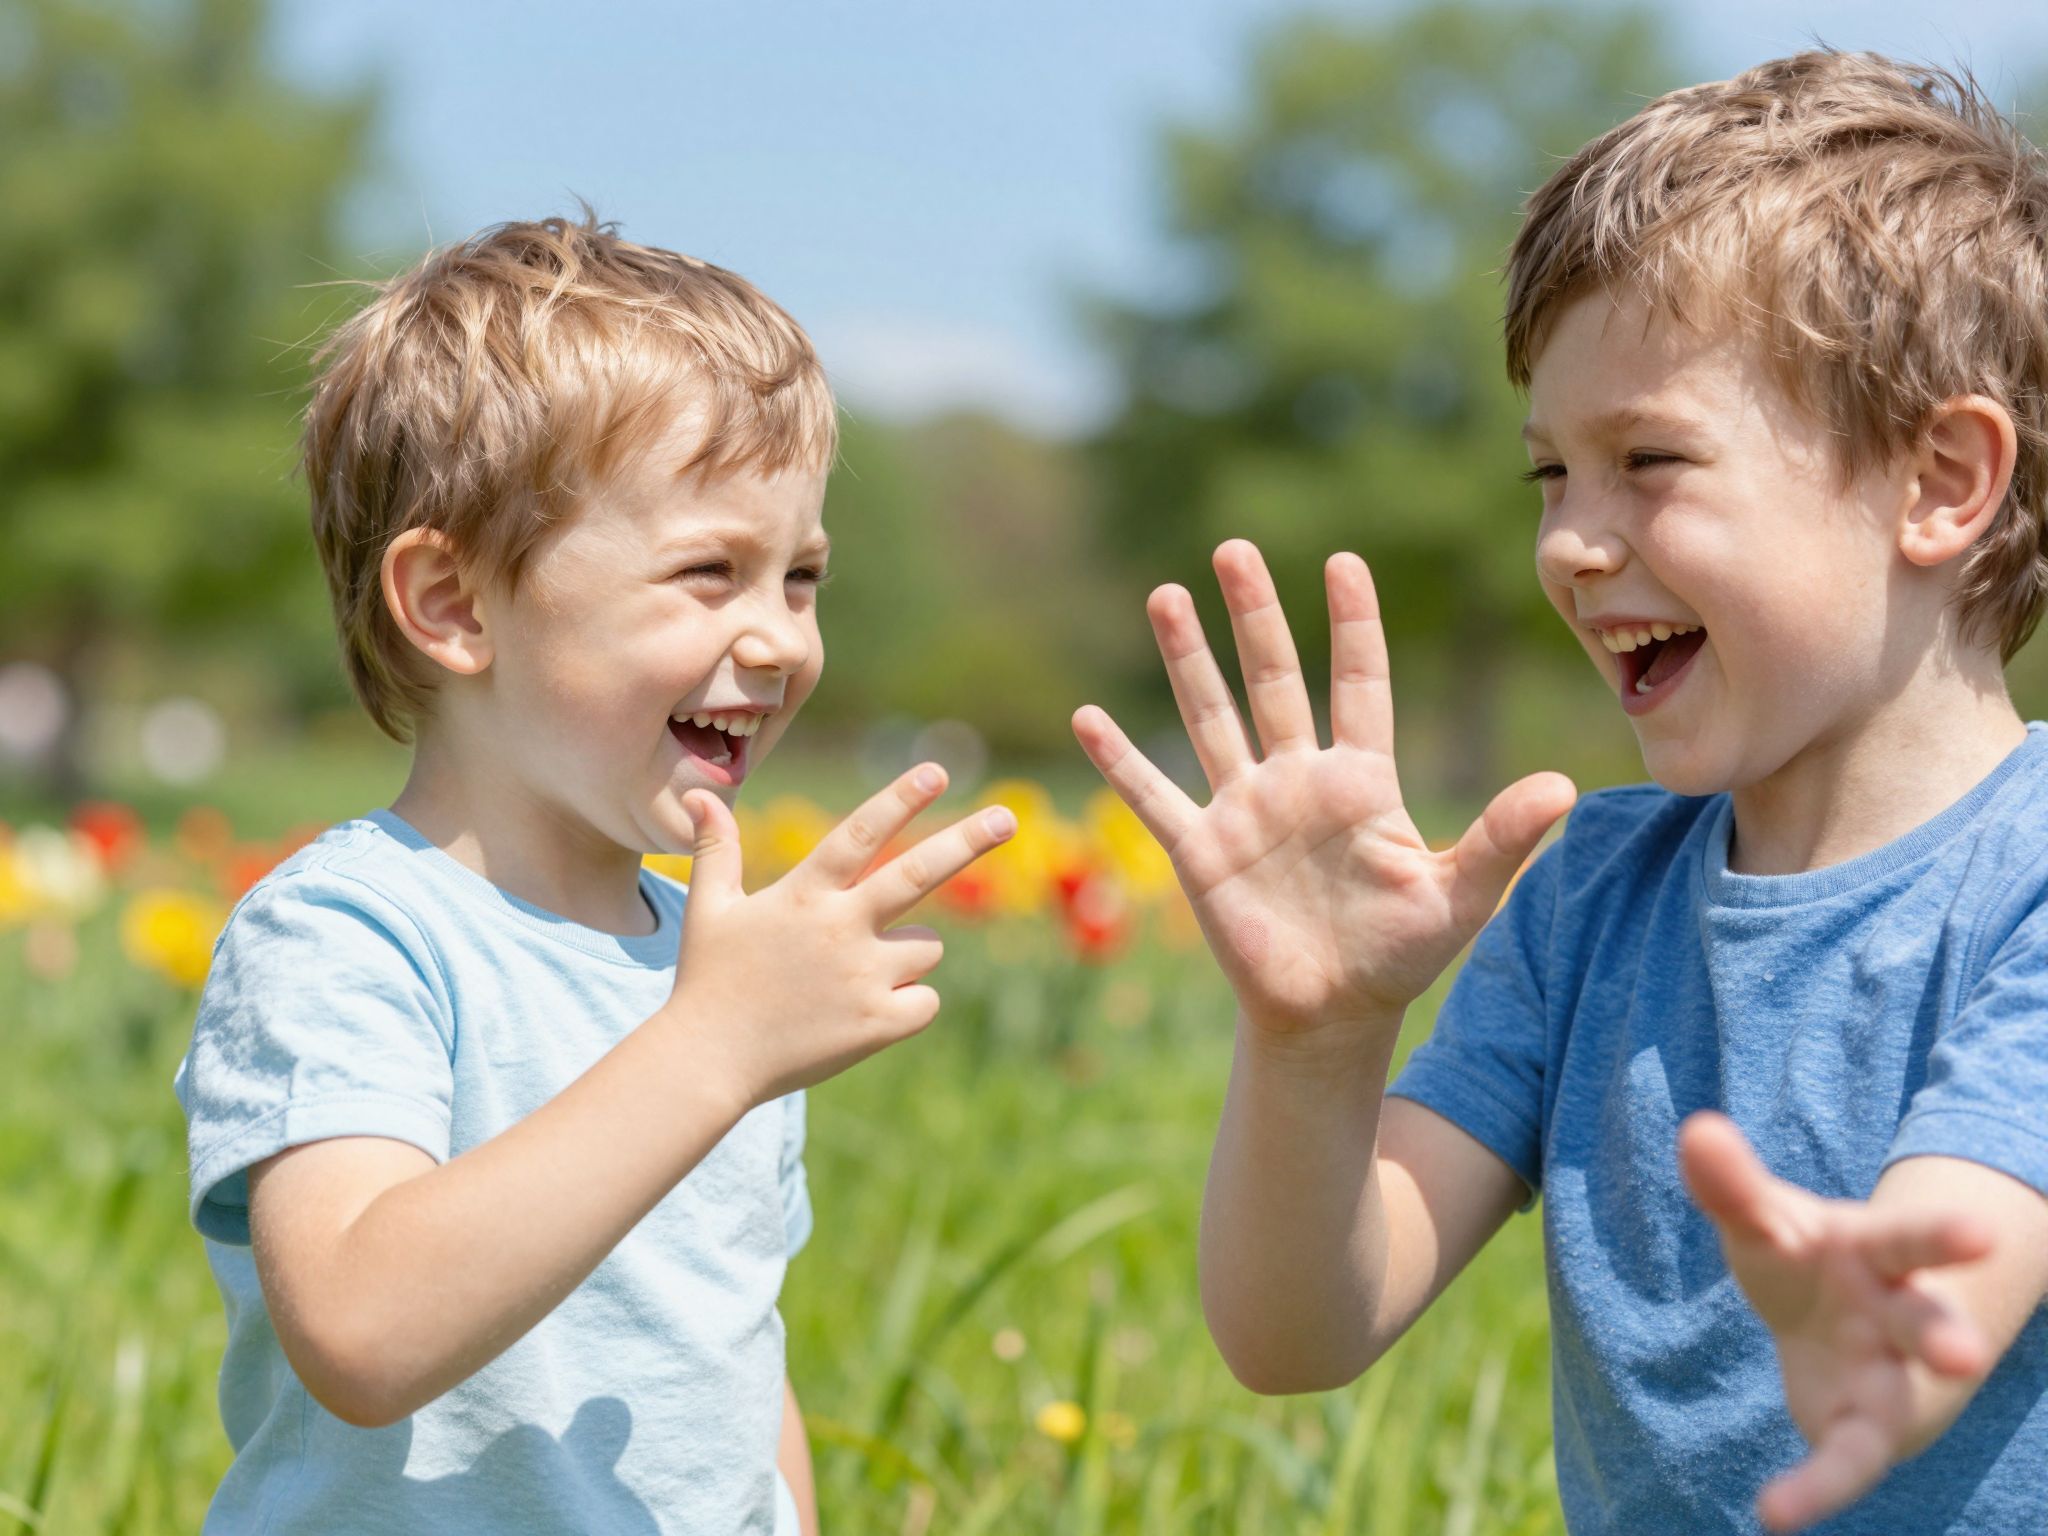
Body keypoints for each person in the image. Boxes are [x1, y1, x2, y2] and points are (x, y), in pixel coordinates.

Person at [1074, 50, 2048, 1534]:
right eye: (1551, 478)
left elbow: (1962, 1241)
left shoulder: (2028, 878)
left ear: (1940, 481)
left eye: (1647, 460)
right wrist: (1317, 1044)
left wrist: (1880, 1303)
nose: (1573, 546)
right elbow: (1297, 1336)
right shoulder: (1591, 897)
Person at [173, 213, 1016, 1535]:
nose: (783, 639)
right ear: (453, 604)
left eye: (799, 578)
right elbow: (360, 1327)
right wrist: (714, 1048)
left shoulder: (709, 963)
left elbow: (734, 1357)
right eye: (708, 573)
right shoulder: (350, 935)